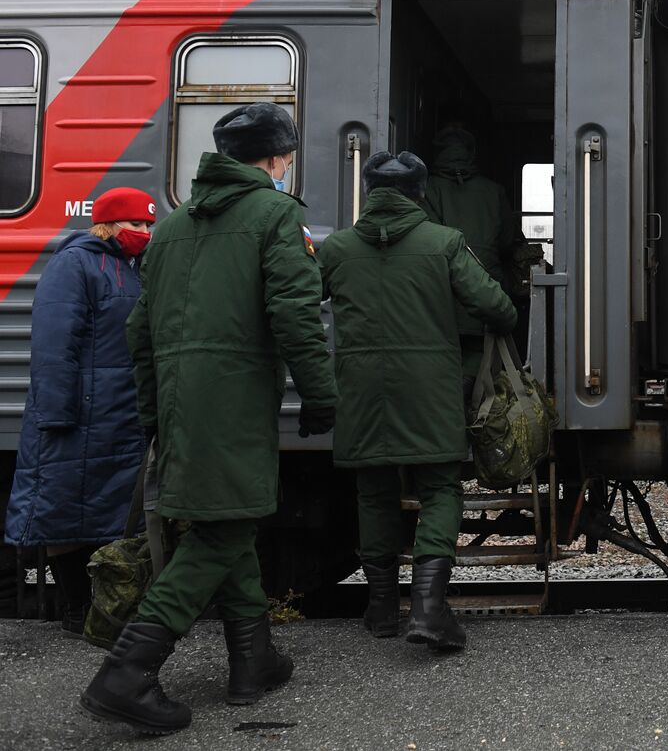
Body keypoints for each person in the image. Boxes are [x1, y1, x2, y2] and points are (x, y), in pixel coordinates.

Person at [80, 104, 337, 735]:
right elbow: (296, 314)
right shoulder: (277, 215)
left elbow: (138, 332)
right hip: (234, 398)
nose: (287, 168)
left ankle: (254, 659)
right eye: (287, 158)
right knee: (221, 533)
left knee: (230, 519)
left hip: (179, 401)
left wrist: (153, 414)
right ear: (276, 159)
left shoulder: (168, 229)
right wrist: (320, 395)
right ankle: (127, 673)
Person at [320, 151, 517, 651]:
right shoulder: (444, 242)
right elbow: (496, 306)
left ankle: (382, 608)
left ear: (368, 191)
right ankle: (429, 608)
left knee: (374, 492)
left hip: (360, 388)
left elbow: (297, 301)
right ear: (419, 193)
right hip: (430, 387)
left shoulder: (338, 249)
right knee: (439, 490)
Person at [5, 188, 156, 635]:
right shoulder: (76, 263)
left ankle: (105, 613)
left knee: (111, 518)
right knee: (65, 513)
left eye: (148, 225)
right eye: (136, 224)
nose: (144, 233)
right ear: (108, 223)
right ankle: (76, 611)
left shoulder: (134, 268)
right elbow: (54, 342)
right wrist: (55, 412)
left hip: (119, 414)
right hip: (78, 414)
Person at [423, 120, 526, 389]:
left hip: (443, 297)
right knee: (484, 376)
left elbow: (426, 241)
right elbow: (506, 242)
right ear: (471, 152)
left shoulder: (427, 190)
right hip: (488, 292)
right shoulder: (494, 190)